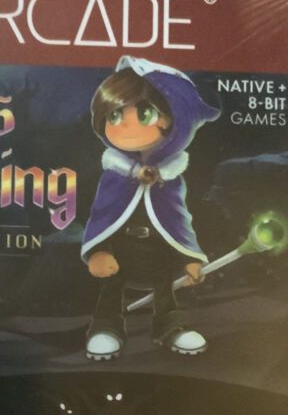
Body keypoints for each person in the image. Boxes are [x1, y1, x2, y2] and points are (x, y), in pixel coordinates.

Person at [82, 56, 219, 360]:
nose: (124, 124)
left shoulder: (170, 179)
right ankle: (106, 325)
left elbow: (179, 220)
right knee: (111, 289)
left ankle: (169, 325)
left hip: (159, 254)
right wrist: (98, 251)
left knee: (165, 290)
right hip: (120, 250)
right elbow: (102, 214)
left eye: (144, 113)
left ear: (175, 122)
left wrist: (190, 258)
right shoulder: (114, 175)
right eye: (114, 114)